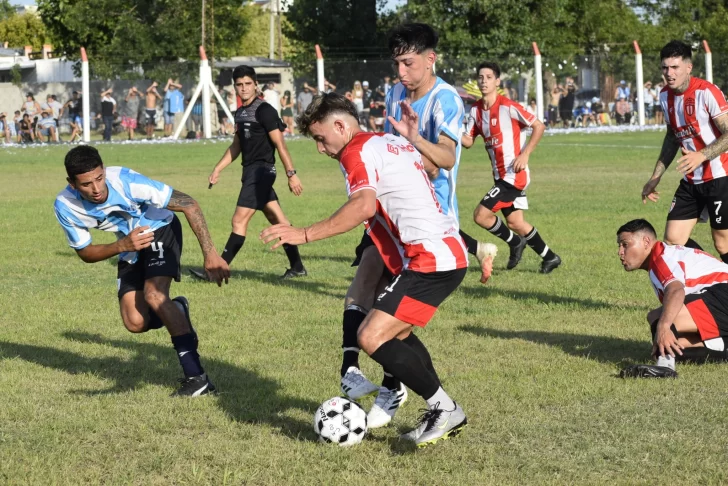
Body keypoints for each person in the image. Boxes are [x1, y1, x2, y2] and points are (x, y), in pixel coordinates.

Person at [263, 92, 469, 447]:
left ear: (340, 126)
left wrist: (304, 233)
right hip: (437, 253)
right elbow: (433, 169)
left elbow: (362, 206)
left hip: (430, 258)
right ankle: (436, 407)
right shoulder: (387, 141)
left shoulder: (356, 151)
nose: (321, 149)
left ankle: (444, 408)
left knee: (371, 337)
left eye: (321, 138)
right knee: (398, 334)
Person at [339, 23, 495, 431]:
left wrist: (411, 139)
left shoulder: (446, 99)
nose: (401, 73)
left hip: (428, 222)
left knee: (387, 319)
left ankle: (402, 390)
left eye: (408, 63)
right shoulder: (394, 93)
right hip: (390, 215)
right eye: (397, 64)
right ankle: (363, 377)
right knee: (364, 292)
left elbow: (444, 158)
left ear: (431, 59)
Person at [53, 146, 230, 395]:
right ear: (72, 183)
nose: (96, 189)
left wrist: (210, 253)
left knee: (154, 295)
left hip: (160, 226)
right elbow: (85, 253)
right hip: (128, 242)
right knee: (135, 322)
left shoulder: (126, 181)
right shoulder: (65, 205)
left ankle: (197, 378)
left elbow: (189, 204)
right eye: (86, 184)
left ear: (104, 170)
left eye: (99, 178)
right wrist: (122, 245)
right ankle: (177, 310)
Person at [192, 65, 306, 281]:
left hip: (261, 173)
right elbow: (237, 146)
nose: (243, 88)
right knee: (278, 220)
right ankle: (297, 267)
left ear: (255, 84)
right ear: (235, 87)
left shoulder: (265, 111)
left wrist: (291, 174)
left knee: (238, 221)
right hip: (251, 172)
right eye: (239, 85)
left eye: (247, 84)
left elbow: (280, 145)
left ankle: (216, 270)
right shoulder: (241, 112)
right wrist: (218, 168)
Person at [462, 61, 561, 274]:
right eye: (480, 77)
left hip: (513, 175)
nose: (484, 81)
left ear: (497, 81)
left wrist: (525, 154)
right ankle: (550, 257)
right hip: (500, 176)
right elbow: (468, 141)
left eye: (489, 77)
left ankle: (515, 243)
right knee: (516, 222)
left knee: (480, 215)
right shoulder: (476, 111)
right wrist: (447, 127)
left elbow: (539, 126)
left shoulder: (508, 106)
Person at [642, 40, 728, 261]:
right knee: (673, 240)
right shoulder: (664, 96)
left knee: (722, 241)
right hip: (691, 181)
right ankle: (718, 274)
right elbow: (672, 137)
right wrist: (655, 176)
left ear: (688, 67)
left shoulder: (706, 92)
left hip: (720, 176)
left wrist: (702, 155)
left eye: (675, 67)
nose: (669, 73)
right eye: (665, 67)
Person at [616, 219, 728, 378]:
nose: (620, 251)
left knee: (664, 320)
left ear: (646, 242)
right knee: (664, 333)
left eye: (625, 244)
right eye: (619, 246)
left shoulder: (661, 257)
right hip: (718, 295)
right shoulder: (660, 258)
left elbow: (676, 291)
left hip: (723, 292)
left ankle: (665, 367)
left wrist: (664, 325)